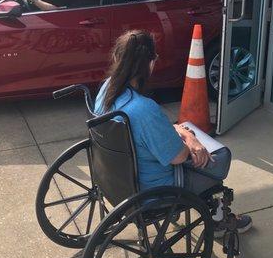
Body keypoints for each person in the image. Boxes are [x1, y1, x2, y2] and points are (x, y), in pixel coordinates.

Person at [94, 30, 252, 237]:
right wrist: (192, 139)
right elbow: (178, 157)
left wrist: (181, 131)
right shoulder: (143, 109)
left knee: (187, 132)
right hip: (153, 189)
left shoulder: (107, 90)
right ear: (150, 63)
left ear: (116, 57)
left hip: (114, 179)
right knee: (218, 159)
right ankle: (218, 220)